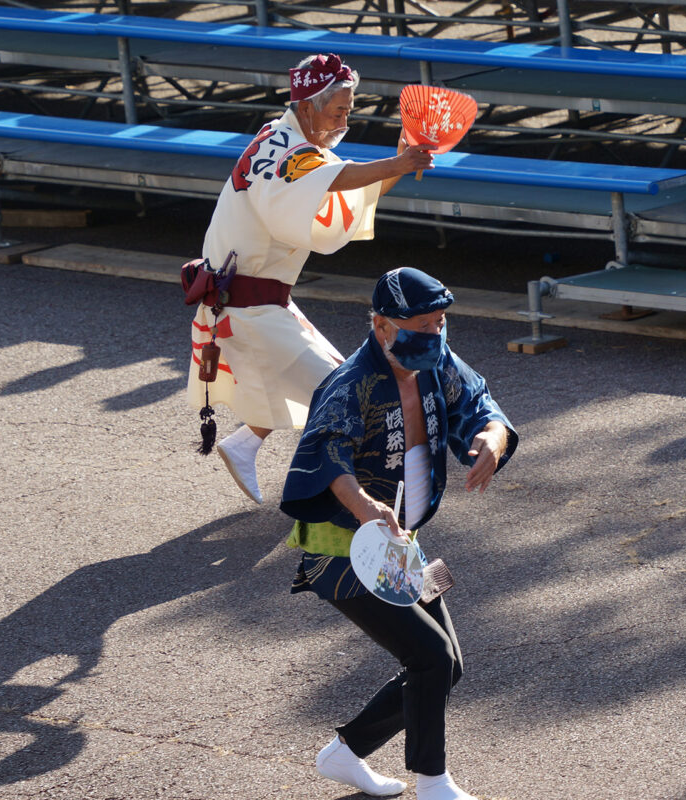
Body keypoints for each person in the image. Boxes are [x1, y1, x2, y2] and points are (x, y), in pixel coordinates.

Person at [280, 268, 518, 800]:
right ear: (382, 325)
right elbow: (327, 452)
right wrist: (364, 506)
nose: (436, 333)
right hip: (342, 547)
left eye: (440, 322)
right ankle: (433, 782)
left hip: (401, 542)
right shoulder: (350, 383)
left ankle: (345, 753)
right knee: (429, 657)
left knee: (447, 665)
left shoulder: (435, 361)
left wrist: (492, 440)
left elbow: (481, 404)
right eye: (423, 324)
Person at [188, 53, 434, 503]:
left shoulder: (281, 140)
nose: (345, 119)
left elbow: (341, 188)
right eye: (339, 109)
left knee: (328, 382)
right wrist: (396, 163)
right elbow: (332, 179)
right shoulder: (292, 153)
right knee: (346, 390)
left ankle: (245, 445)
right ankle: (336, 496)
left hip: (252, 302)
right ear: (306, 106)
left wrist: (397, 163)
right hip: (249, 306)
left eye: (348, 109)